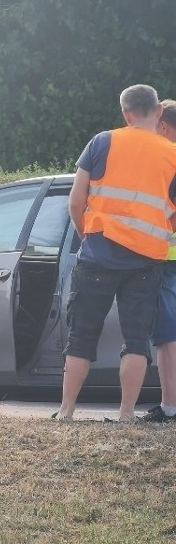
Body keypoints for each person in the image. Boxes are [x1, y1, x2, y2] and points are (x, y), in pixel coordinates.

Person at [57, 84, 176, 422]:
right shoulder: (172, 154)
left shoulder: (103, 141)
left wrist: (87, 236)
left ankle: (66, 411)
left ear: (126, 114)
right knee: (137, 339)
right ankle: (126, 414)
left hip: (98, 254)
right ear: (157, 112)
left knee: (82, 334)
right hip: (146, 261)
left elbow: (76, 200)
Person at [142, 99, 176, 421]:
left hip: (166, 260)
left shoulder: (168, 162)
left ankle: (170, 407)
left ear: (163, 126)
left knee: (167, 335)